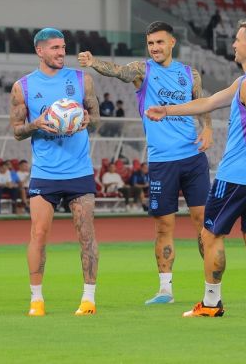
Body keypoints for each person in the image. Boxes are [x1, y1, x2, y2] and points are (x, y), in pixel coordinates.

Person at [146, 19, 246, 321]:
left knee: (210, 235)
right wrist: (167, 110)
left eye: (238, 39)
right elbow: (209, 102)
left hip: (239, 176)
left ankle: (211, 303)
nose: (234, 44)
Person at [79, 21, 213, 305]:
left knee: (204, 224)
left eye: (160, 43)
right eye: (151, 43)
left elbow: (202, 103)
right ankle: (165, 290)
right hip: (162, 163)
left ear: (172, 43)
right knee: (164, 227)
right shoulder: (143, 70)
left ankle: (212, 290)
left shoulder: (190, 73)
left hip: (193, 160)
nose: (154, 48)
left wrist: (208, 128)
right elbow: (117, 72)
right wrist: (93, 63)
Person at [10, 27, 100, 316]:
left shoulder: (82, 80)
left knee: (86, 234)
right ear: (40, 51)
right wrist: (35, 124)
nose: (62, 53)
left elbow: (96, 118)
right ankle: (36, 300)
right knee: (38, 234)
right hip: (45, 173)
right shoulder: (22, 87)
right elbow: (16, 131)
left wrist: (88, 118)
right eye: (55, 48)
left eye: (63, 47)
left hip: (79, 171)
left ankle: (88, 299)